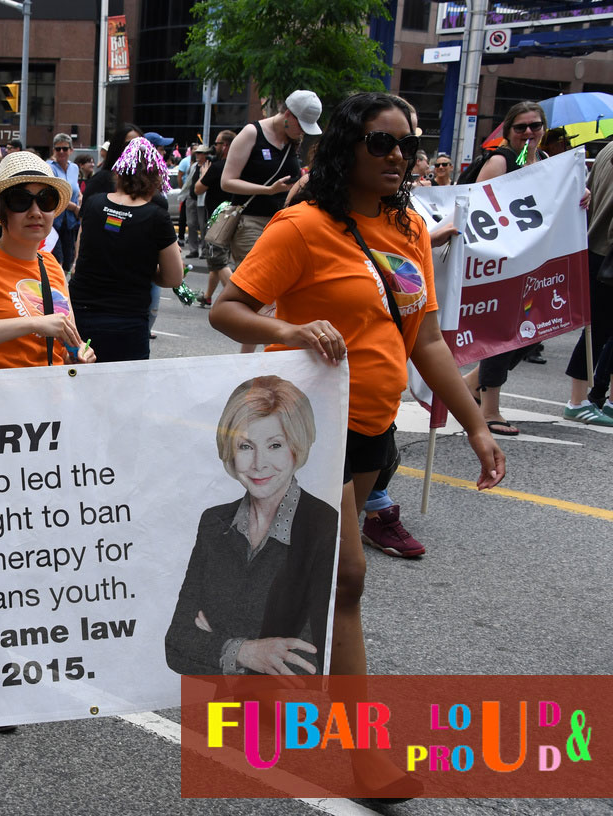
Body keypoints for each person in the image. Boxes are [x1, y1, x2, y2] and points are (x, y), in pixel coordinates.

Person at [210, 91, 504, 793]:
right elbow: (227, 309)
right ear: (347, 148)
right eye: (381, 141)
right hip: (309, 428)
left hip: (375, 428)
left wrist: (475, 423)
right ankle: (364, 755)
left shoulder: (407, 228)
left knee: (306, 570)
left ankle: (248, 687)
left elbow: (426, 339)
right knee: (347, 578)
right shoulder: (303, 227)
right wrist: (289, 332)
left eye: (407, 141)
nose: (399, 155)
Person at [164, 376, 336, 675]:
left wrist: (216, 639)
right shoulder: (214, 523)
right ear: (229, 450)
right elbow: (176, 645)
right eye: (245, 445)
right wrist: (245, 651)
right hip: (219, 710)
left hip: (289, 716)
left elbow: (304, 666)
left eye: (275, 445)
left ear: (297, 446)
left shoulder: (324, 527)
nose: (258, 463)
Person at [460, 102, 580, 435]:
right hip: (504, 263)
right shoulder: (501, 160)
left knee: (531, 332)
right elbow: (475, 204)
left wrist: (579, 195)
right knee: (507, 334)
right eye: (521, 127)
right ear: (508, 130)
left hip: (534, 263)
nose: (529, 132)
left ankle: (471, 383)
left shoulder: (542, 162)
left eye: (535, 126)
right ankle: (490, 409)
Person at [0, 150, 96, 370]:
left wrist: (77, 354)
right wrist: (32, 323)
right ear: (0, 210)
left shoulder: (53, 266)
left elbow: (65, 343)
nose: (35, 212)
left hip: (48, 396)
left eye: (45, 200)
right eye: (20, 201)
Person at [69, 137, 183, 362]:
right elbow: (174, 277)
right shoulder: (157, 217)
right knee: (126, 392)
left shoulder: (93, 204)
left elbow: (80, 254)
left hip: (81, 314)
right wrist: (142, 267)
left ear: (119, 172)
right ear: (154, 178)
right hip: (128, 321)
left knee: (78, 385)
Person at [220, 90, 321, 270]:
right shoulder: (252, 133)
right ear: (288, 115)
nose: (303, 132)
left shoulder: (292, 141)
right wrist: (267, 190)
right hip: (251, 221)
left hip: (281, 222)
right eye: (302, 125)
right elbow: (227, 182)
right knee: (254, 281)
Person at [562, 137, 613, 425]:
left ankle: (586, 399)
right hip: (608, 250)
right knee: (597, 330)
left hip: (595, 245)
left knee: (597, 328)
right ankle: (578, 400)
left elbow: (589, 194)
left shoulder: (607, 149)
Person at [196, 130, 236, 306]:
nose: (215, 147)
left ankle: (236, 298)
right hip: (234, 217)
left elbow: (197, 190)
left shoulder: (218, 167)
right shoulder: (240, 166)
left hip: (217, 220)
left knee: (218, 260)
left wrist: (204, 174)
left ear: (225, 146)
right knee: (215, 259)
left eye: (217, 144)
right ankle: (207, 296)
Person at [47, 133, 82, 272]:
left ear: (71, 150)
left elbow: (76, 188)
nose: (61, 152)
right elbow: (54, 195)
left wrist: (80, 196)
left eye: (65, 149)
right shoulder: (49, 167)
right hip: (54, 220)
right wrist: (74, 208)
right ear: (53, 150)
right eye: (58, 149)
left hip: (70, 222)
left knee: (69, 258)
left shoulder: (74, 168)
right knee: (56, 259)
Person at [83, 122, 142, 201]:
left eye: (140, 144)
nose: (134, 149)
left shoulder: (146, 180)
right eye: (129, 144)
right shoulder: (101, 180)